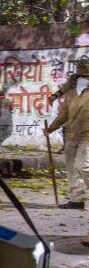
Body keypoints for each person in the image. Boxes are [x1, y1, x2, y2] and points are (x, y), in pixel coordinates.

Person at [45, 58, 89, 210]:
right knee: (71, 169)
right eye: (83, 76)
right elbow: (63, 115)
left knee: (82, 167)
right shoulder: (71, 93)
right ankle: (77, 200)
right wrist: (50, 129)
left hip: (87, 137)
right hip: (71, 135)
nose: (84, 79)